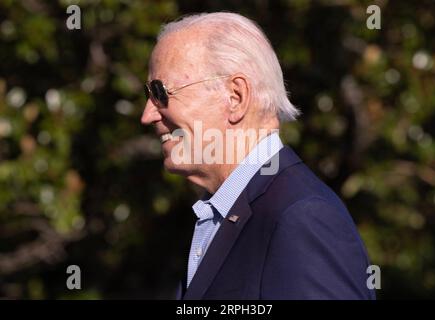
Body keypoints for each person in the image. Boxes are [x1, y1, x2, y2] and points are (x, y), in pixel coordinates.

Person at [141, 12, 375, 300]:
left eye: (161, 93)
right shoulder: (222, 214)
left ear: (235, 97)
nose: (147, 115)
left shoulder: (301, 218)